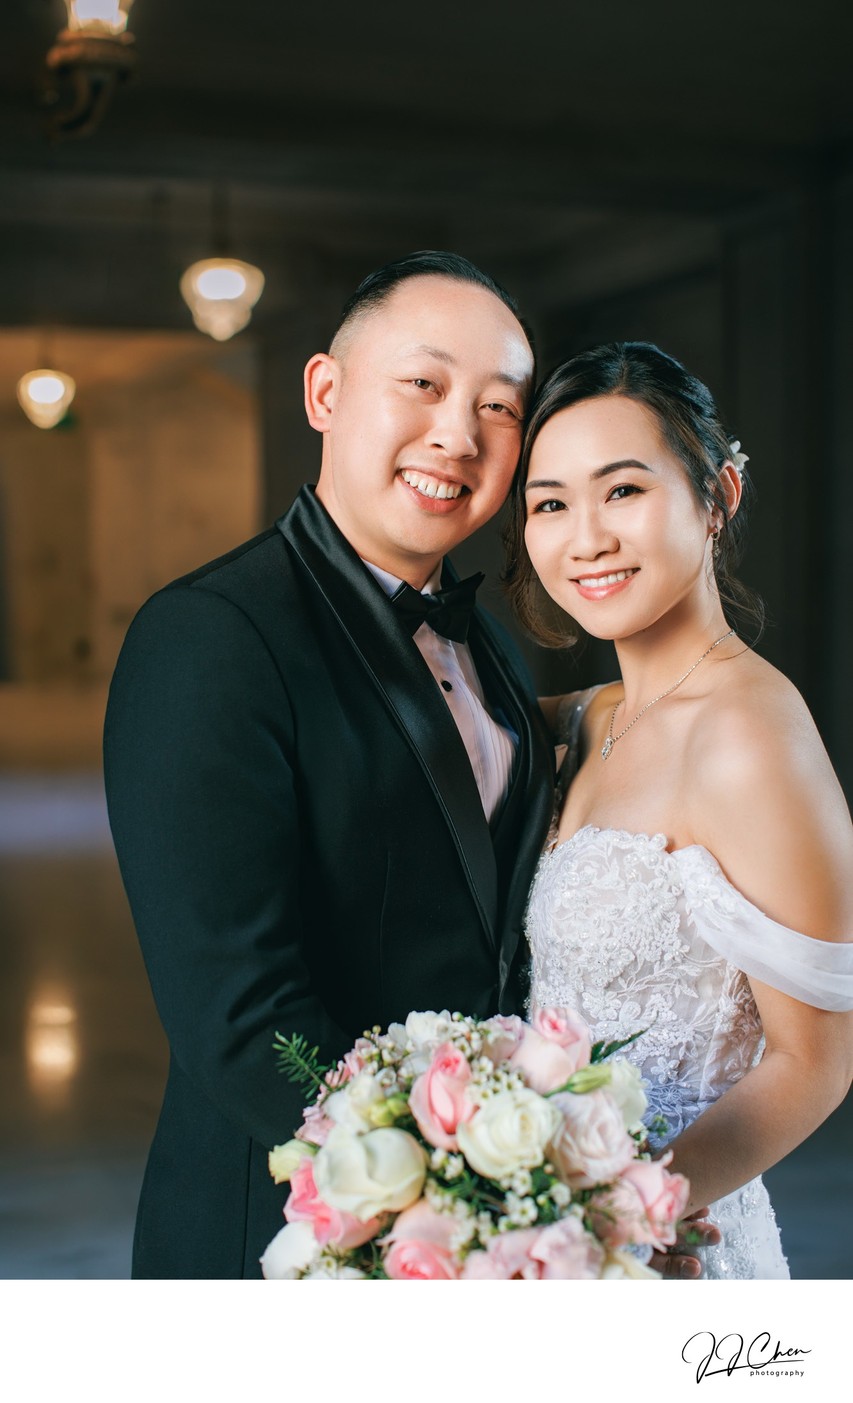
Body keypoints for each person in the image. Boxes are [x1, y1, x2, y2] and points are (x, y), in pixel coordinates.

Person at [103, 251, 558, 1279]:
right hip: (284, 1226)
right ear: (324, 393)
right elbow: (238, 1018)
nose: (458, 434)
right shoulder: (210, 635)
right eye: (423, 383)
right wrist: (447, 1198)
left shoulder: (492, 646)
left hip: (480, 1234)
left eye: (497, 407)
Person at [505, 340, 853, 1278]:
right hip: (546, 1227)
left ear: (716, 497)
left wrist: (612, 1221)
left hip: (666, 1244)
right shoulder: (590, 717)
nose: (585, 539)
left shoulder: (746, 735)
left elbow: (815, 1062)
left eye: (622, 490)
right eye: (549, 504)